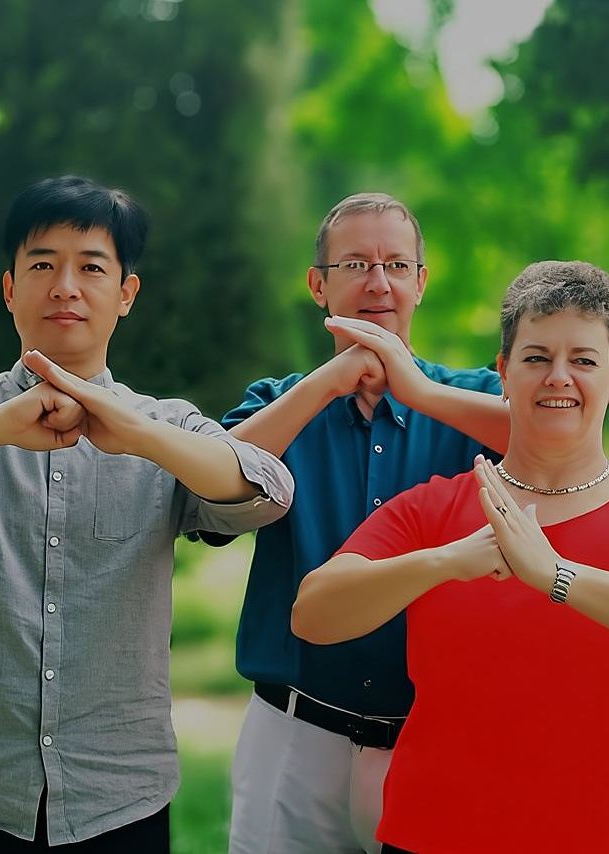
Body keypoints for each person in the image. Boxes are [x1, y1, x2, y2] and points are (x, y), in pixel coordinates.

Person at [0, 175, 293, 852]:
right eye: (42, 265)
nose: (65, 286)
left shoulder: (166, 425)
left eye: (91, 268)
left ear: (126, 294)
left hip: (119, 796)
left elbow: (267, 489)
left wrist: (135, 435)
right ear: (10, 289)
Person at [293, 260, 609, 853]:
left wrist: (555, 576)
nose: (559, 377)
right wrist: (444, 563)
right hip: (438, 833)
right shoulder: (433, 509)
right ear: (502, 370)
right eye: (536, 357)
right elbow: (313, 614)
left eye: (584, 360)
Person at [215, 193, 511, 853]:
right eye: (355, 263)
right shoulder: (278, 402)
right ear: (318, 285)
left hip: (429, 741)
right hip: (293, 738)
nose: (378, 281)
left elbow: (557, 436)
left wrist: (418, 392)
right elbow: (208, 495)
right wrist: (326, 383)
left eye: (396, 264)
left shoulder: (475, 402)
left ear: (420, 282)